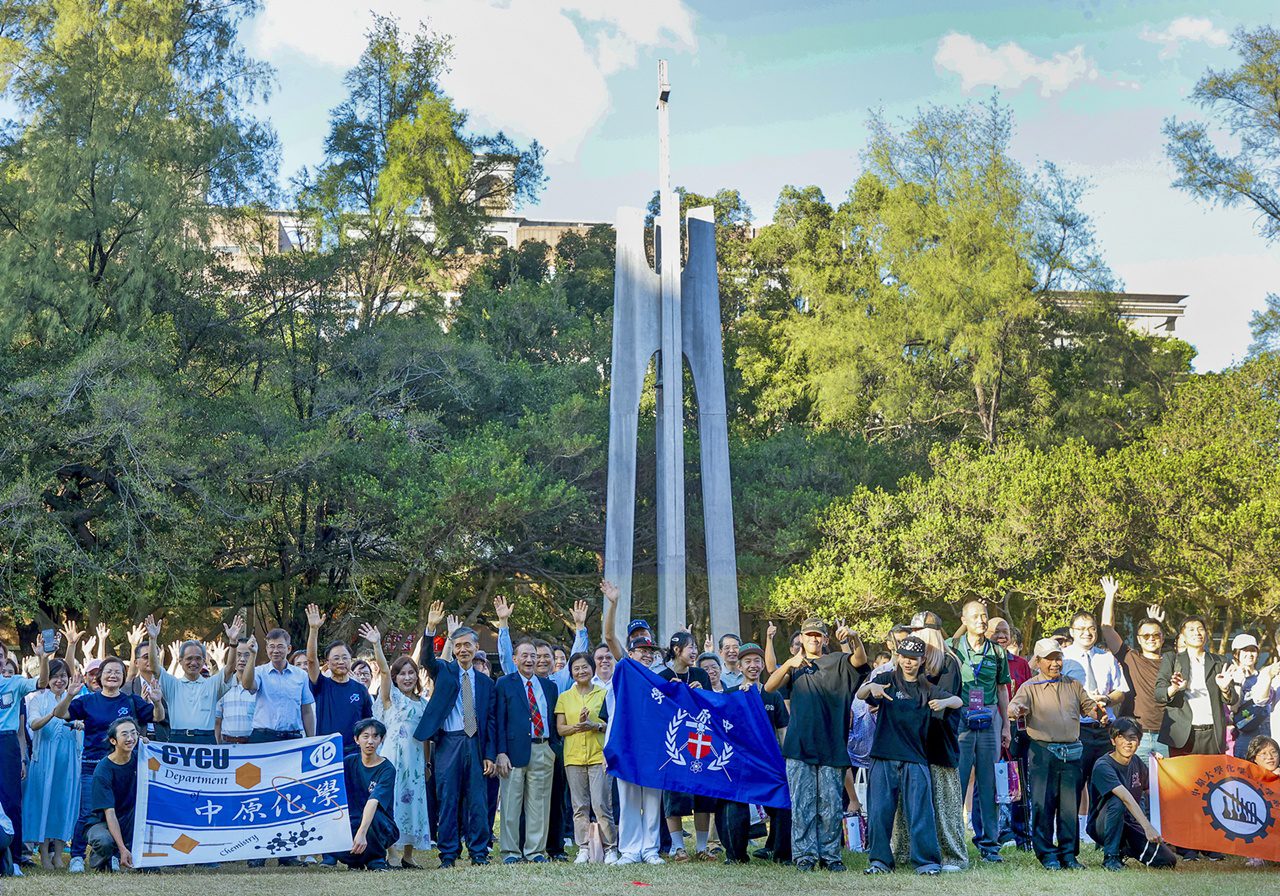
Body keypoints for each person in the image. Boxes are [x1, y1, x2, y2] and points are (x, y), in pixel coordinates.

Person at [765, 617, 868, 873]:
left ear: (825, 638)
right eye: (809, 634)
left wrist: (854, 637)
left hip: (832, 745)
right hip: (799, 746)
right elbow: (768, 687)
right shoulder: (795, 665)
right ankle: (804, 856)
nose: (813, 639)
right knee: (802, 806)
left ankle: (831, 856)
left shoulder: (838, 661)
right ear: (801, 637)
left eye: (818, 635)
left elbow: (860, 660)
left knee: (831, 807)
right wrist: (789, 663)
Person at [860, 635, 960, 876]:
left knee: (920, 813)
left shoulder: (927, 687)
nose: (908, 662)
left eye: (913, 659)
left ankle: (926, 863)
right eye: (904, 657)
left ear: (922, 660)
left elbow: (958, 700)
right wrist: (870, 687)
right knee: (880, 813)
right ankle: (880, 862)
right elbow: (861, 694)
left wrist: (944, 703)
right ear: (898, 657)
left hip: (915, 758)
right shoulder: (886, 679)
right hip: (883, 756)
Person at [414, 601, 496, 868]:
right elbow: (426, 660)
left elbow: (491, 721)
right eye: (458, 645)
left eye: (467, 645)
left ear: (475, 649)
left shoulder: (485, 682)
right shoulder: (445, 671)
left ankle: (479, 853)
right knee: (448, 799)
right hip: (448, 743)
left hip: (475, 744)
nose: (462, 650)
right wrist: (430, 628)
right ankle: (448, 854)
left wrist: (490, 755)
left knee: (477, 802)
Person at [61, 655, 159, 873]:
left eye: (118, 672)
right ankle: (77, 855)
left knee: (121, 810)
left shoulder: (131, 701)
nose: (113, 675)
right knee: (88, 811)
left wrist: (158, 700)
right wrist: (69, 695)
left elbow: (156, 716)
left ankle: (115, 854)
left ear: (124, 677)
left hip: (123, 767)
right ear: (99, 676)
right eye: (108, 671)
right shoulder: (87, 701)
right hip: (92, 764)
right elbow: (61, 714)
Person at [1008, 638, 1098, 870]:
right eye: (1049, 659)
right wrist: (1016, 710)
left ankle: (1068, 855)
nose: (1055, 663)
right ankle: (1047, 854)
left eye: (1058, 658)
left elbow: (1089, 706)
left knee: (1070, 806)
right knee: (1042, 804)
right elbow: (1013, 707)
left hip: (1072, 752)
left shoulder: (1073, 685)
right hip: (1043, 751)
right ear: (1038, 661)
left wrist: (1099, 712)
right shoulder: (1029, 687)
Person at [1155, 615, 1236, 860]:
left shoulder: (1218, 661)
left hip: (1212, 731)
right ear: (1182, 636)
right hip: (1183, 734)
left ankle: (1210, 844)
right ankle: (1186, 845)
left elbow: (1231, 700)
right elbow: (1159, 693)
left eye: (1200, 629)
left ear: (1206, 634)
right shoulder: (1172, 659)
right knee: (1184, 791)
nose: (1197, 633)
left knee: (1213, 790)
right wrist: (1174, 688)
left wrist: (1224, 687)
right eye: (1191, 629)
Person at [601, 580, 665, 865]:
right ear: (631, 651)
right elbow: (608, 635)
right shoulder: (625, 668)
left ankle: (650, 849)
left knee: (652, 797)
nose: (647, 654)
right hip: (625, 744)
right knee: (627, 799)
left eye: (651, 650)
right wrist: (613, 603)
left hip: (654, 746)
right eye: (642, 650)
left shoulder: (661, 677)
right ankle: (629, 850)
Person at [893, 627, 967, 872]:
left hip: (940, 745)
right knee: (910, 803)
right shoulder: (912, 673)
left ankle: (952, 856)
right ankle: (907, 852)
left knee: (944, 804)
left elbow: (944, 706)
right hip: (914, 746)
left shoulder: (948, 664)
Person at [944, 601, 1010, 863]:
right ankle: (952, 842)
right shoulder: (953, 647)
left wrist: (1006, 725)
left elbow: (1003, 689)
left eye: (984, 615)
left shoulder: (997, 651)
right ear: (964, 619)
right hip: (961, 717)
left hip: (990, 717)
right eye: (975, 616)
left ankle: (990, 845)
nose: (982, 620)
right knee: (956, 782)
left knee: (988, 782)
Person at [361, 624, 431, 867]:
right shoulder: (392, 698)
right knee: (392, 804)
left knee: (415, 805)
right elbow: (382, 670)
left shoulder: (423, 704)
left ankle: (409, 856)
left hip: (416, 760)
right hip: (392, 758)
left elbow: (425, 736)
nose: (408, 677)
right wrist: (377, 644)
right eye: (402, 673)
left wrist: (427, 763)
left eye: (411, 673)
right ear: (396, 677)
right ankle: (391, 854)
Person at [493, 637, 560, 864]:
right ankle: (511, 853)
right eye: (526, 655)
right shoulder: (505, 683)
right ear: (515, 659)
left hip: (543, 749)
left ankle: (535, 852)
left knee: (539, 804)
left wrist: (553, 749)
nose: (531, 659)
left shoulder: (550, 687)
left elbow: (552, 718)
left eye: (535, 655)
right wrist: (500, 752)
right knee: (511, 804)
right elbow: (498, 720)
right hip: (512, 753)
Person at [1086, 717, 1176, 871]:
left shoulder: (1136, 762)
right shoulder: (1103, 765)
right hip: (1102, 824)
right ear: (1113, 741)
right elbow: (1125, 798)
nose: (1128, 743)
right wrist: (1147, 827)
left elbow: (1153, 793)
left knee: (1167, 861)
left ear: (1139, 743)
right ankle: (1110, 857)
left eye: (1132, 738)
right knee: (1118, 801)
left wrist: (1159, 767)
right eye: (1122, 737)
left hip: (1130, 824)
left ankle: (1125, 849)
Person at [1061, 610, 1129, 804]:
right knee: (1074, 786)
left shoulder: (1106, 658)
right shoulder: (1063, 659)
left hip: (1104, 730)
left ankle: (1099, 832)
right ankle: (1073, 832)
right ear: (1072, 632)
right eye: (1081, 628)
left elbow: (1121, 692)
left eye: (1091, 628)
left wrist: (1106, 700)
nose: (1087, 633)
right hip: (1076, 730)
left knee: (1106, 787)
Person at [659, 630, 716, 861]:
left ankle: (702, 848)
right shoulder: (663, 676)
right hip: (674, 745)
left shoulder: (700, 675)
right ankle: (678, 847)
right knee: (674, 795)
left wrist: (701, 694)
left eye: (695, 647)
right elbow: (658, 711)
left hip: (700, 742)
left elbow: (713, 708)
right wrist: (671, 695)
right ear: (676, 650)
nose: (694, 651)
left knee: (703, 795)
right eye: (690, 647)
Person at [1099, 578, 1168, 764]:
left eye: (1156, 635)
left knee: (1165, 790)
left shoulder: (1172, 661)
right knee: (1136, 786)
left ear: (1163, 638)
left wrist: (1156, 622)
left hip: (1166, 736)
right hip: (1135, 735)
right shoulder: (1130, 657)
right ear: (1138, 639)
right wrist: (1110, 596)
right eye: (1146, 635)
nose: (1151, 639)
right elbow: (1107, 628)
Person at [555, 651, 616, 863]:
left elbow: (611, 726)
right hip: (573, 757)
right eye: (576, 668)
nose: (581, 671)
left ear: (593, 668)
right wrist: (579, 726)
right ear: (571, 672)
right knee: (579, 806)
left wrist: (595, 725)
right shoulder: (564, 697)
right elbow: (560, 729)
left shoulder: (604, 693)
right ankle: (583, 847)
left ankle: (610, 848)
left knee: (601, 804)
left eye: (585, 667)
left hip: (598, 756)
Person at [146, 614, 244, 745]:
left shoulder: (212, 684)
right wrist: (152, 639)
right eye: (189, 658)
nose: (194, 662)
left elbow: (230, 668)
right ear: (180, 661)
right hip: (178, 739)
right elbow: (154, 667)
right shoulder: (173, 684)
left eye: (198, 658)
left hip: (206, 739)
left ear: (204, 661)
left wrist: (233, 642)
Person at [24, 661, 83, 869]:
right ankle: (43, 853)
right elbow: (33, 724)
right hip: (45, 760)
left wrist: (79, 724)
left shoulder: (77, 700)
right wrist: (53, 714)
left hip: (68, 760)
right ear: (47, 679)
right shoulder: (37, 700)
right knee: (44, 804)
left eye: (63, 676)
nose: (59, 680)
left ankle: (59, 853)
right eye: (55, 676)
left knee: (63, 803)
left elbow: (86, 723)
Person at [0, 636, 51, 872]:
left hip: (6, 743)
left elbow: (42, 682)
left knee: (11, 801)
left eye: (1, 655)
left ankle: (15, 860)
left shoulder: (16, 683)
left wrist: (43, 656)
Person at [304, 604, 373, 756]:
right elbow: (311, 660)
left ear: (351, 660)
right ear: (327, 663)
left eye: (344, 657)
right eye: (336, 658)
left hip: (354, 753)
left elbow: (367, 723)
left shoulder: (360, 689)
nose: (341, 661)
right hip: (326, 751)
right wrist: (314, 629)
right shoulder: (322, 684)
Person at [85, 717, 140, 872]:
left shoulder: (141, 758)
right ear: (113, 741)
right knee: (104, 841)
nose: (130, 738)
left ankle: (126, 855)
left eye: (133, 733)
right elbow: (109, 813)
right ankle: (102, 858)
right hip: (102, 820)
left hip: (130, 817)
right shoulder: (103, 770)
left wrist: (150, 748)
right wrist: (122, 848)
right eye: (124, 734)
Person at [1227, 633, 1266, 757]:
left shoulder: (1264, 677)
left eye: (1253, 650)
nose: (1250, 654)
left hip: (1265, 733)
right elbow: (1232, 708)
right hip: (1243, 735)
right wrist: (1238, 682)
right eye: (1245, 650)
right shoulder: (1229, 677)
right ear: (1235, 654)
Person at [214, 639, 256, 744]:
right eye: (238, 655)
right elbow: (217, 722)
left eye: (247, 655)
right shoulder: (223, 686)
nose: (242, 659)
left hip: (253, 746)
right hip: (227, 745)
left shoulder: (257, 686)